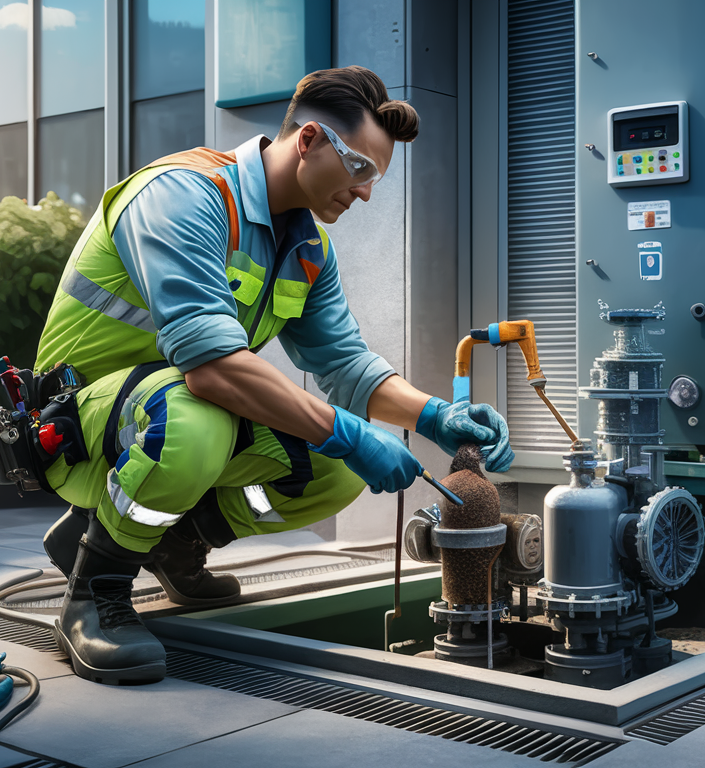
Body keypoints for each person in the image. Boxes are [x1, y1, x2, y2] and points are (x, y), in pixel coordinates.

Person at [30, 66, 513, 685]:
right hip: (80, 429)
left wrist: (435, 416)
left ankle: (175, 541)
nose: (366, 193)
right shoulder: (184, 195)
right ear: (308, 140)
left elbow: (346, 365)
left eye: (377, 179)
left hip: (161, 414)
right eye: (361, 170)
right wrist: (347, 430)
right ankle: (95, 590)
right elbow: (211, 371)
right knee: (197, 419)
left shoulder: (307, 248)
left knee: (335, 471)